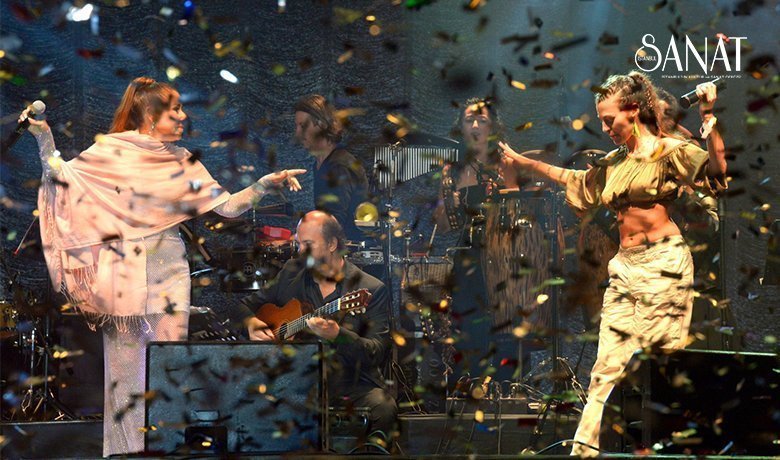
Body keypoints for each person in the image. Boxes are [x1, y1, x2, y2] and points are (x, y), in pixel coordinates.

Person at [21, 76, 306, 457]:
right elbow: (63, 177)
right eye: (176, 110)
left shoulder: (181, 160)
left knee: (167, 374)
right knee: (126, 381)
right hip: (124, 279)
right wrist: (44, 138)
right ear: (152, 116)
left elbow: (228, 207)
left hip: (170, 277)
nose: (184, 116)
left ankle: (163, 452)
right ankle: (126, 454)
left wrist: (265, 185)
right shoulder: (112, 151)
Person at [499, 71, 726, 456]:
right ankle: (583, 452)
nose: (604, 129)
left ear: (633, 110)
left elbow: (717, 175)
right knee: (604, 370)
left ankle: (666, 449)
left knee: (657, 368)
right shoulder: (614, 163)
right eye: (601, 121)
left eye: (609, 120)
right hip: (624, 267)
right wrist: (525, 164)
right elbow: (576, 180)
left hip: (664, 265)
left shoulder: (669, 150)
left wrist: (709, 115)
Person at [237, 210, 397, 442]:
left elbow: (377, 352)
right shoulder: (290, 273)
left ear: (332, 244)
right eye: (298, 243)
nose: (299, 251)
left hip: (349, 384)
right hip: (296, 381)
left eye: (308, 244)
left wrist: (338, 336)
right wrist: (251, 322)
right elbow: (242, 307)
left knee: (383, 407)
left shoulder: (370, 288)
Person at [432, 97, 520, 387]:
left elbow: (517, 208)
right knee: (468, 326)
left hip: (500, 256)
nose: (475, 125)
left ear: (493, 126)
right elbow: (443, 225)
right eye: (469, 119)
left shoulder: (505, 162)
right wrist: (446, 205)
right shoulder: (452, 169)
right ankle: (468, 388)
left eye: (482, 120)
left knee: (502, 326)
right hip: (467, 255)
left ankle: (504, 389)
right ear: (461, 126)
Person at [294, 95, 369, 242]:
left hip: (349, 252)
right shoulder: (322, 163)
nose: (297, 133)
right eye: (296, 126)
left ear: (321, 125)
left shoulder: (338, 166)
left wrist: (300, 238)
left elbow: (334, 224)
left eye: (303, 126)